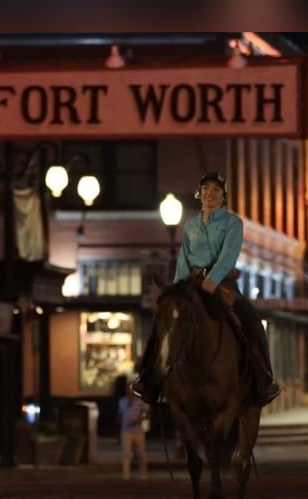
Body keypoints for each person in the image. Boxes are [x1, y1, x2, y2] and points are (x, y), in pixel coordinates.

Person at [131, 171, 281, 408]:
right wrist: (178, 288)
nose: (210, 194)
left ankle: (265, 379)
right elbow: (183, 259)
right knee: (164, 322)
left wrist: (209, 283)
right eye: (206, 189)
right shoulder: (190, 226)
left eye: (216, 190)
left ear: (224, 196)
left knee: (251, 320)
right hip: (191, 285)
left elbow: (228, 256)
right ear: (199, 194)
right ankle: (148, 380)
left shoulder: (233, 223)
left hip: (222, 283)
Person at [117, 384, 150, 480]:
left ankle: (143, 474)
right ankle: (126, 476)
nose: (130, 392)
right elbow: (119, 416)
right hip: (126, 430)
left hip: (138, 430)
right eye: (128, 390)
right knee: (126, 453)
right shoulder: (122, 401)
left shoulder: (141, 401)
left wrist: (141, 419)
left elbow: (147, 413)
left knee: (141, 453)